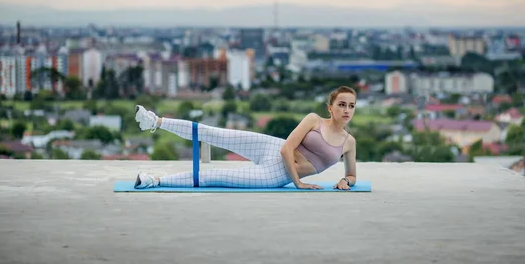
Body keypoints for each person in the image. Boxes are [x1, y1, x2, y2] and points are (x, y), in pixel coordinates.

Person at [133, 86, 358, 191]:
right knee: (215, 133)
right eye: (341, 104)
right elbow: (286, 149)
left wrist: (345, 181)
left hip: (275, 175)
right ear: (331, 108)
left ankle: (155, 181)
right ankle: (155, 122)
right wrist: (298, 183)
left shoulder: (349, 143)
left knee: (216, 176)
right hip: (272, 148)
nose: (346, 109)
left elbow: (351, 175)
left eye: (351, 106)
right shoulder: (313, 120)